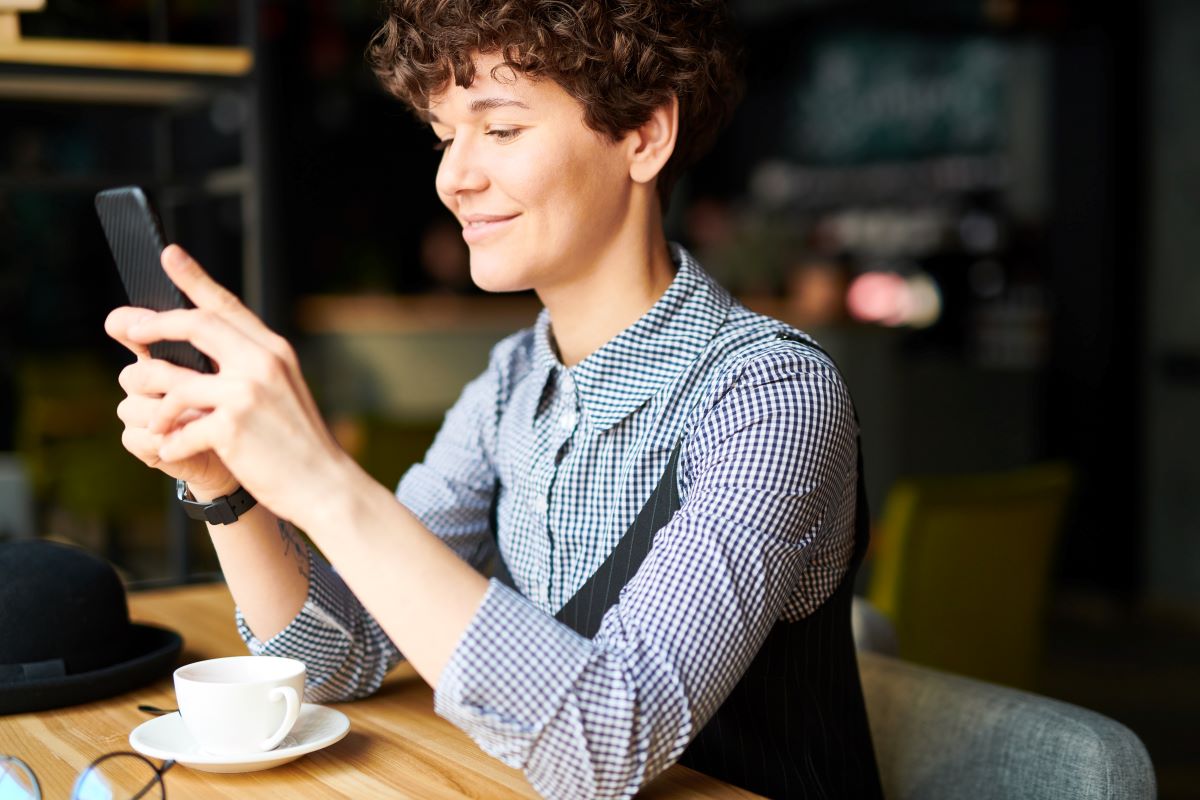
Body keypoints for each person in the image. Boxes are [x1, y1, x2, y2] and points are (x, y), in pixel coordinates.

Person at [105, 1, 883, 797]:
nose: (452, 177)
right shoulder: (513, 382)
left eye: (500, 129)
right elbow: (341, 654)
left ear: (645, 135)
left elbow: (613, 736)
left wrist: (322, 482)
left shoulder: (772, 395)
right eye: (445, 136)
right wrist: (221, 483)